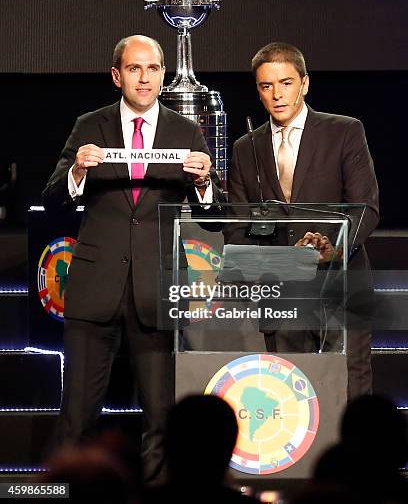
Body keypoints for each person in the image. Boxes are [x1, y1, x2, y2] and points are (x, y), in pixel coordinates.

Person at [42, 35, 223, 485]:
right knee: (77, 415)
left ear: (164, 73)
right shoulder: (90, 125)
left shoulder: (186, 131)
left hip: (155, 289)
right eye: (135, 69)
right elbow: (52, 202)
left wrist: (203, 184)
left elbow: (214, 215)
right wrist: (78, 172)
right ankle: (67, 493)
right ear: (116, 75)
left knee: (162, 419)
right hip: (94, 288)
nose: (145, 78)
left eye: (154, 68)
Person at [225, 42, 379, 398]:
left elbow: (366, 207)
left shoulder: (344, 131)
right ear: (258, 91)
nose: (277, 95)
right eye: (267, 86)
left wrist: (333, 249)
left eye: (286, 83)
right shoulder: (244, 148)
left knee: (349, 393)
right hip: (281, 293)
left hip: (340, 287)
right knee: (292, 400)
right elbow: (236, 224)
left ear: (304, 84)